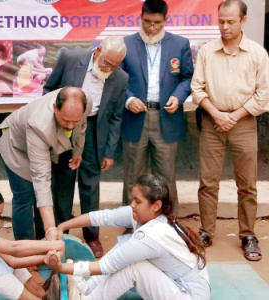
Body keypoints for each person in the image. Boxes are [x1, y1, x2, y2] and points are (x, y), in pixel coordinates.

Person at [44, 174, 210, 300]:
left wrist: (61, 267)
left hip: (190, 295)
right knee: (127, 248)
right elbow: (101, 217)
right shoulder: (146, 215)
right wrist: (63, 226)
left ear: (156, 206)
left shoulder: (153, 235)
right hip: (175, 285)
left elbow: (105, 266)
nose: (132, 204)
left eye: (137, 201)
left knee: (134, 266)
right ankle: (87, 288)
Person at [191, 0, 269, 261]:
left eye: (230, 21)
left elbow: (263, 95)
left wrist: (233, 116)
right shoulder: (206, 51)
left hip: (244, 123)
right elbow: (197, 89)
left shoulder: (258, 54)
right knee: (208, 183)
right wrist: (216, 114)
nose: (224, 26)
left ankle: (247, 234)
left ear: (243, 21)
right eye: (221, 20)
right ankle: (206, 232)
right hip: (213, 123)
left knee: (247, 184)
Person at [43, 36, 128, 258]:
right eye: (106, 63)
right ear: (98, 51)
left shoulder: (120, 78)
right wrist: (54, 121)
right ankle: (63, 233)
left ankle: (92, 236)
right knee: (63, 182)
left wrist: (109, 151)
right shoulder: (70, 58)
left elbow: (116, 118)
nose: (109, 69)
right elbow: (49, 89)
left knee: (90, 187)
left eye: (114, 66)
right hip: (65, 126)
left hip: (94, 131)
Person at [121, 0, 194, 218]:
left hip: (167, 118)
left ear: (165, 20)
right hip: (135, 118)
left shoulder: (179, 44)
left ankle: (169, 222)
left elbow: (187, 77)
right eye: (147, 22)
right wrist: (128, 99)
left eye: (157, 23)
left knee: (166, 176)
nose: (151, 28)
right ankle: (132, 222)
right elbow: (115, 80)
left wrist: (178, 97)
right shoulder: (126, 44)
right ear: (140, 17)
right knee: (133, 175)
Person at [0, 86, 92, 242]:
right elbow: (41, 178)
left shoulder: (85, 101)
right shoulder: (39, 124)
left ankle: (43, 240)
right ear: (55, 108)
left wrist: (77, 151)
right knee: (25, 196)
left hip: (43, 146)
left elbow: (82, 126)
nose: (71, 126)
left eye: (75, 120)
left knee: (46, 193)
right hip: (17, 147)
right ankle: (25, 248)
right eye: (66, 120)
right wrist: (52, 228)